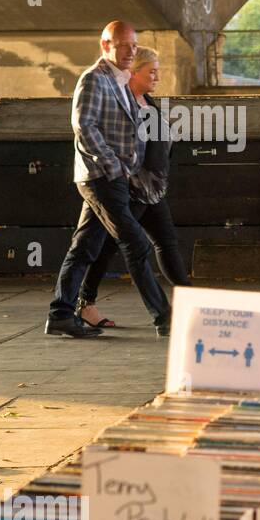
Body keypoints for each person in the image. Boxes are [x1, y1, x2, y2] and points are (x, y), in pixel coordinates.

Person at [46, 21, 171, 339]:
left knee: (85, 246)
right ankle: (165, 318)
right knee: (137, 243)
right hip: (101, 177)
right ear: (105, 46)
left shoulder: (120, 80)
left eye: (133, 45)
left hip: (112, 177)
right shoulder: (94, 79)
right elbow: (83, 126)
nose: (130, 51)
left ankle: (61, 313)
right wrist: (114, 165)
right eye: (123, 45)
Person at [75, 47, 191, 329]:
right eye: (151, 71)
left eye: (157, 71)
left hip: (153, 189)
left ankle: (190, 299)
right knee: (116, 248)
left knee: (165, 243)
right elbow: (102, 137)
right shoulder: (120, 103)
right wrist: (122, 176)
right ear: (133, 73)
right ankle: (86, 303)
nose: (157, 77)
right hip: (129, 187)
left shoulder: (147, 103)